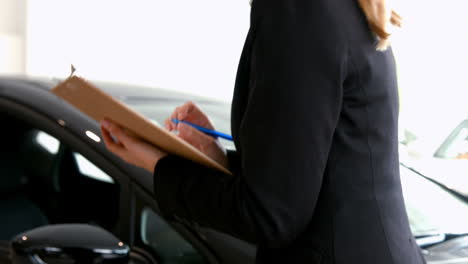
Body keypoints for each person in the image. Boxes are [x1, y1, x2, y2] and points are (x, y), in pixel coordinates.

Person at [100, 0, 426, 263]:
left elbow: (271, 216)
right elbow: (307, 179)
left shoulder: (298, 11)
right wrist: (214, 156)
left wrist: (156, 163)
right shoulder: (339, 9)